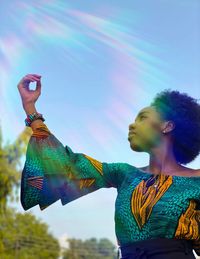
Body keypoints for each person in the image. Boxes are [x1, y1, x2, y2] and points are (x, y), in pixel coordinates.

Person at [18, 74, 200, 258]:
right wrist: (30, 109)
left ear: (167, 126)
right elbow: (65, 165)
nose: (131, 124)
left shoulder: (197, 181)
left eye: (142, 118)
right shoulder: (124, 174)